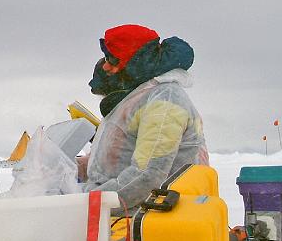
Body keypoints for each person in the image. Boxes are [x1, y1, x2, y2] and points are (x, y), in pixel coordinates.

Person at [81, 23, 208, 215]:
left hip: (154, 220)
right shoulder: (138, 97)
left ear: (134, 62)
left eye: (113, 59)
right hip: (126, 214)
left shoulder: (165, 101)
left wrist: (88, 203)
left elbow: (147, 175)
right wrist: (73, 168)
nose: (106, 66)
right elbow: (120, 154)